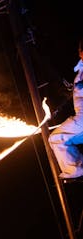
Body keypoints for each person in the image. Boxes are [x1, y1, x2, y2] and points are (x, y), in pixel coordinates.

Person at [49, 39, 83, 179]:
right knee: (63, 138)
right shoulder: (80, 69)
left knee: (57, 138)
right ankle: (77, 168)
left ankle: (76, 171)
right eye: (81, 51)